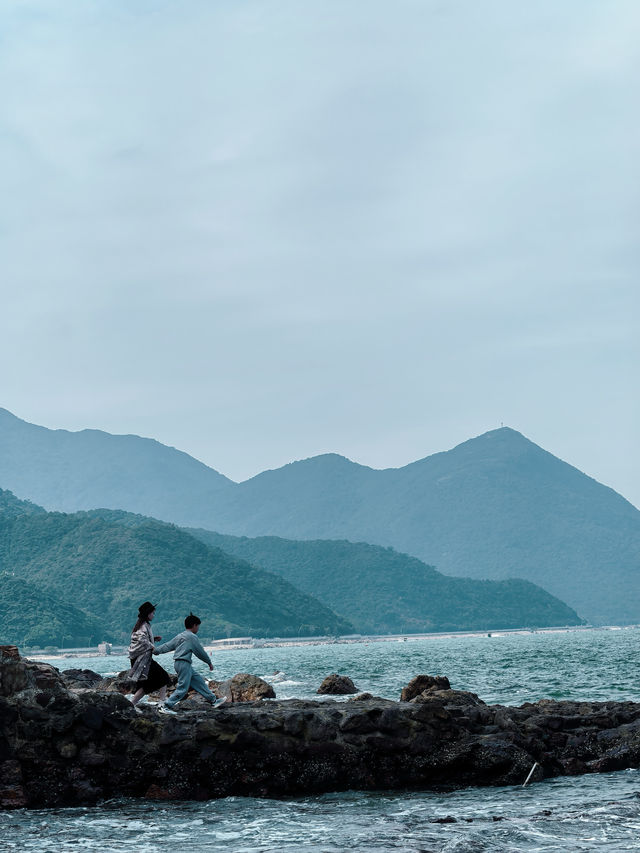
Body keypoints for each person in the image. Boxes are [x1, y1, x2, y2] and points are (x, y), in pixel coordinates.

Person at [153, 612, 227, 714]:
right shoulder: (192, 637)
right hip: (184, 664)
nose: (198, 629)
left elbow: (167, 646)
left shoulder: (180, 636)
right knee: (183, 688)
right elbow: (200, 652)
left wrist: (156, 651)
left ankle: (213, 700)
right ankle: (166, 705)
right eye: (198, 626)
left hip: (179, 664)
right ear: (194, 625)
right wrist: (209, 662)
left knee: (199, 681)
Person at [127, 601, 171, 708]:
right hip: (142, 660)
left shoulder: (143, 625)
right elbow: (142, 639)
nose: (153, 615)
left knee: (146, 685)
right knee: (163, 677)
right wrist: (152, 646)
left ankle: (131, 704)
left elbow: (142, 639)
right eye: (152, 613)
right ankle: (162, 703)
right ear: (148, 614)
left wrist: (153, 639)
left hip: (142, 659)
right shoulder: (143, 626)